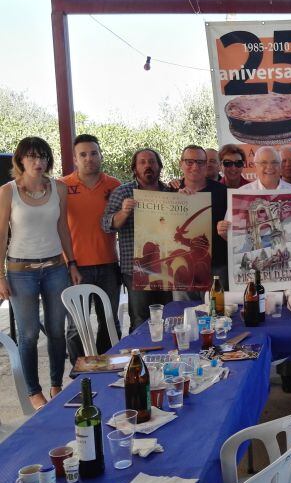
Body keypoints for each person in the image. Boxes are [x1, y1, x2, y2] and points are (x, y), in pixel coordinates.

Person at [217, 146, 291, 394]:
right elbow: (234, 238)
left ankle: (288, 372)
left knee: (288, 322)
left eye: (274, 162)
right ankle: (253, 374)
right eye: (263, 163)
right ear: (255, 166)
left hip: (286, 268)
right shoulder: (241, 195)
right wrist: (223, 233)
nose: (269, 167)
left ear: (281, 166)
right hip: (253, 273)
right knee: (253, 320)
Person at [0, 137, 81, 410]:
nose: (39, 162)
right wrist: (0, 276)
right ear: (20, 160)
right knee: (29, 334)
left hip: (55, 267)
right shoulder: (7, 191)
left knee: (57, 329)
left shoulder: (59, 188)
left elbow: (63, 229)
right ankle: (34, 392)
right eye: (33, 156)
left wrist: (72, 263)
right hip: (20, 270)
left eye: (44, 156)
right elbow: (1, 236)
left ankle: (56, 384)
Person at [60, 134, 122, 365]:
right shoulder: (62, 186)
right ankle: (80, 374)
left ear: (101, 155)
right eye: (83, 154)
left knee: (109, 322)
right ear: (75, 159)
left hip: (108, 264)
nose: (89, 159)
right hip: (75, 266)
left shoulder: (114, 185)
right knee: (77, 325)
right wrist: (69, 262)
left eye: (93, 153)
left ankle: (105, 368)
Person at [102, 148, 172, 332]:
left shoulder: (171, 192)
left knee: (168, 317)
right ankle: (139, 358)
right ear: (135, 168)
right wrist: (123, 212)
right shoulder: (123, 192)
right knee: (140, 319)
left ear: (159, 167)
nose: (148, 165)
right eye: (142, 162)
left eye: (152, 161)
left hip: (166, 266)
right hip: (135, 269)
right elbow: (106, 224)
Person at [171, 145, 228, 297]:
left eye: (200, 162)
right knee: (183, 314)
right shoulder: (170, 193)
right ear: (181, 163)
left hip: (216, 267)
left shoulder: (223, 192)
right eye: (189, 162)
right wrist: (176, 201)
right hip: (182, 266)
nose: (195, 166)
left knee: (218, 313)